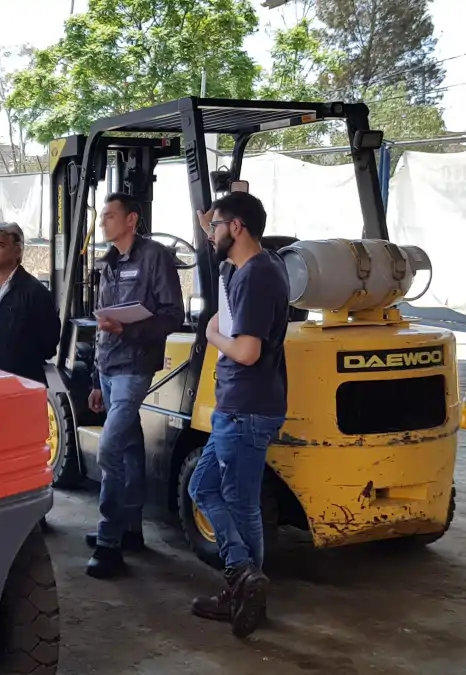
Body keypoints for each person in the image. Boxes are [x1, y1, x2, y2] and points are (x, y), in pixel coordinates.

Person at [187, 191, 288, 638]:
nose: (211, 235)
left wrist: (212, 333)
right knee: (202, 486)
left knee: (240, 502)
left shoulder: (258, 276)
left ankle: (245, 582)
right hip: (238, 406)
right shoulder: (244, 269)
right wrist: (207, 219)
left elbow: (246, 351)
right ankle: (246, 582)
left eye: (216, 227)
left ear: (238, 227)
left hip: (247, 407)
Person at [84, 193, 185, 580]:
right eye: (102, 216)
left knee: (109, 448)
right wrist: (95, 378)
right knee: (127, 449)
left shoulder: (153, 257)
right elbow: (101, 326)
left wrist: (128, 328)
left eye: (110, 215)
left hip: (135, 366)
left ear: (131, 220)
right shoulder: (107, 264)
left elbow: (172, 314)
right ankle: (131, 530)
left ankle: (109, 543)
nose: (104, 222)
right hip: (109, 367)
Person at [0, 222, 60, 384]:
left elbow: (49, 342)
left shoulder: (35, 291)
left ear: (17, 250)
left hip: (23, 381)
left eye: (0, 246)